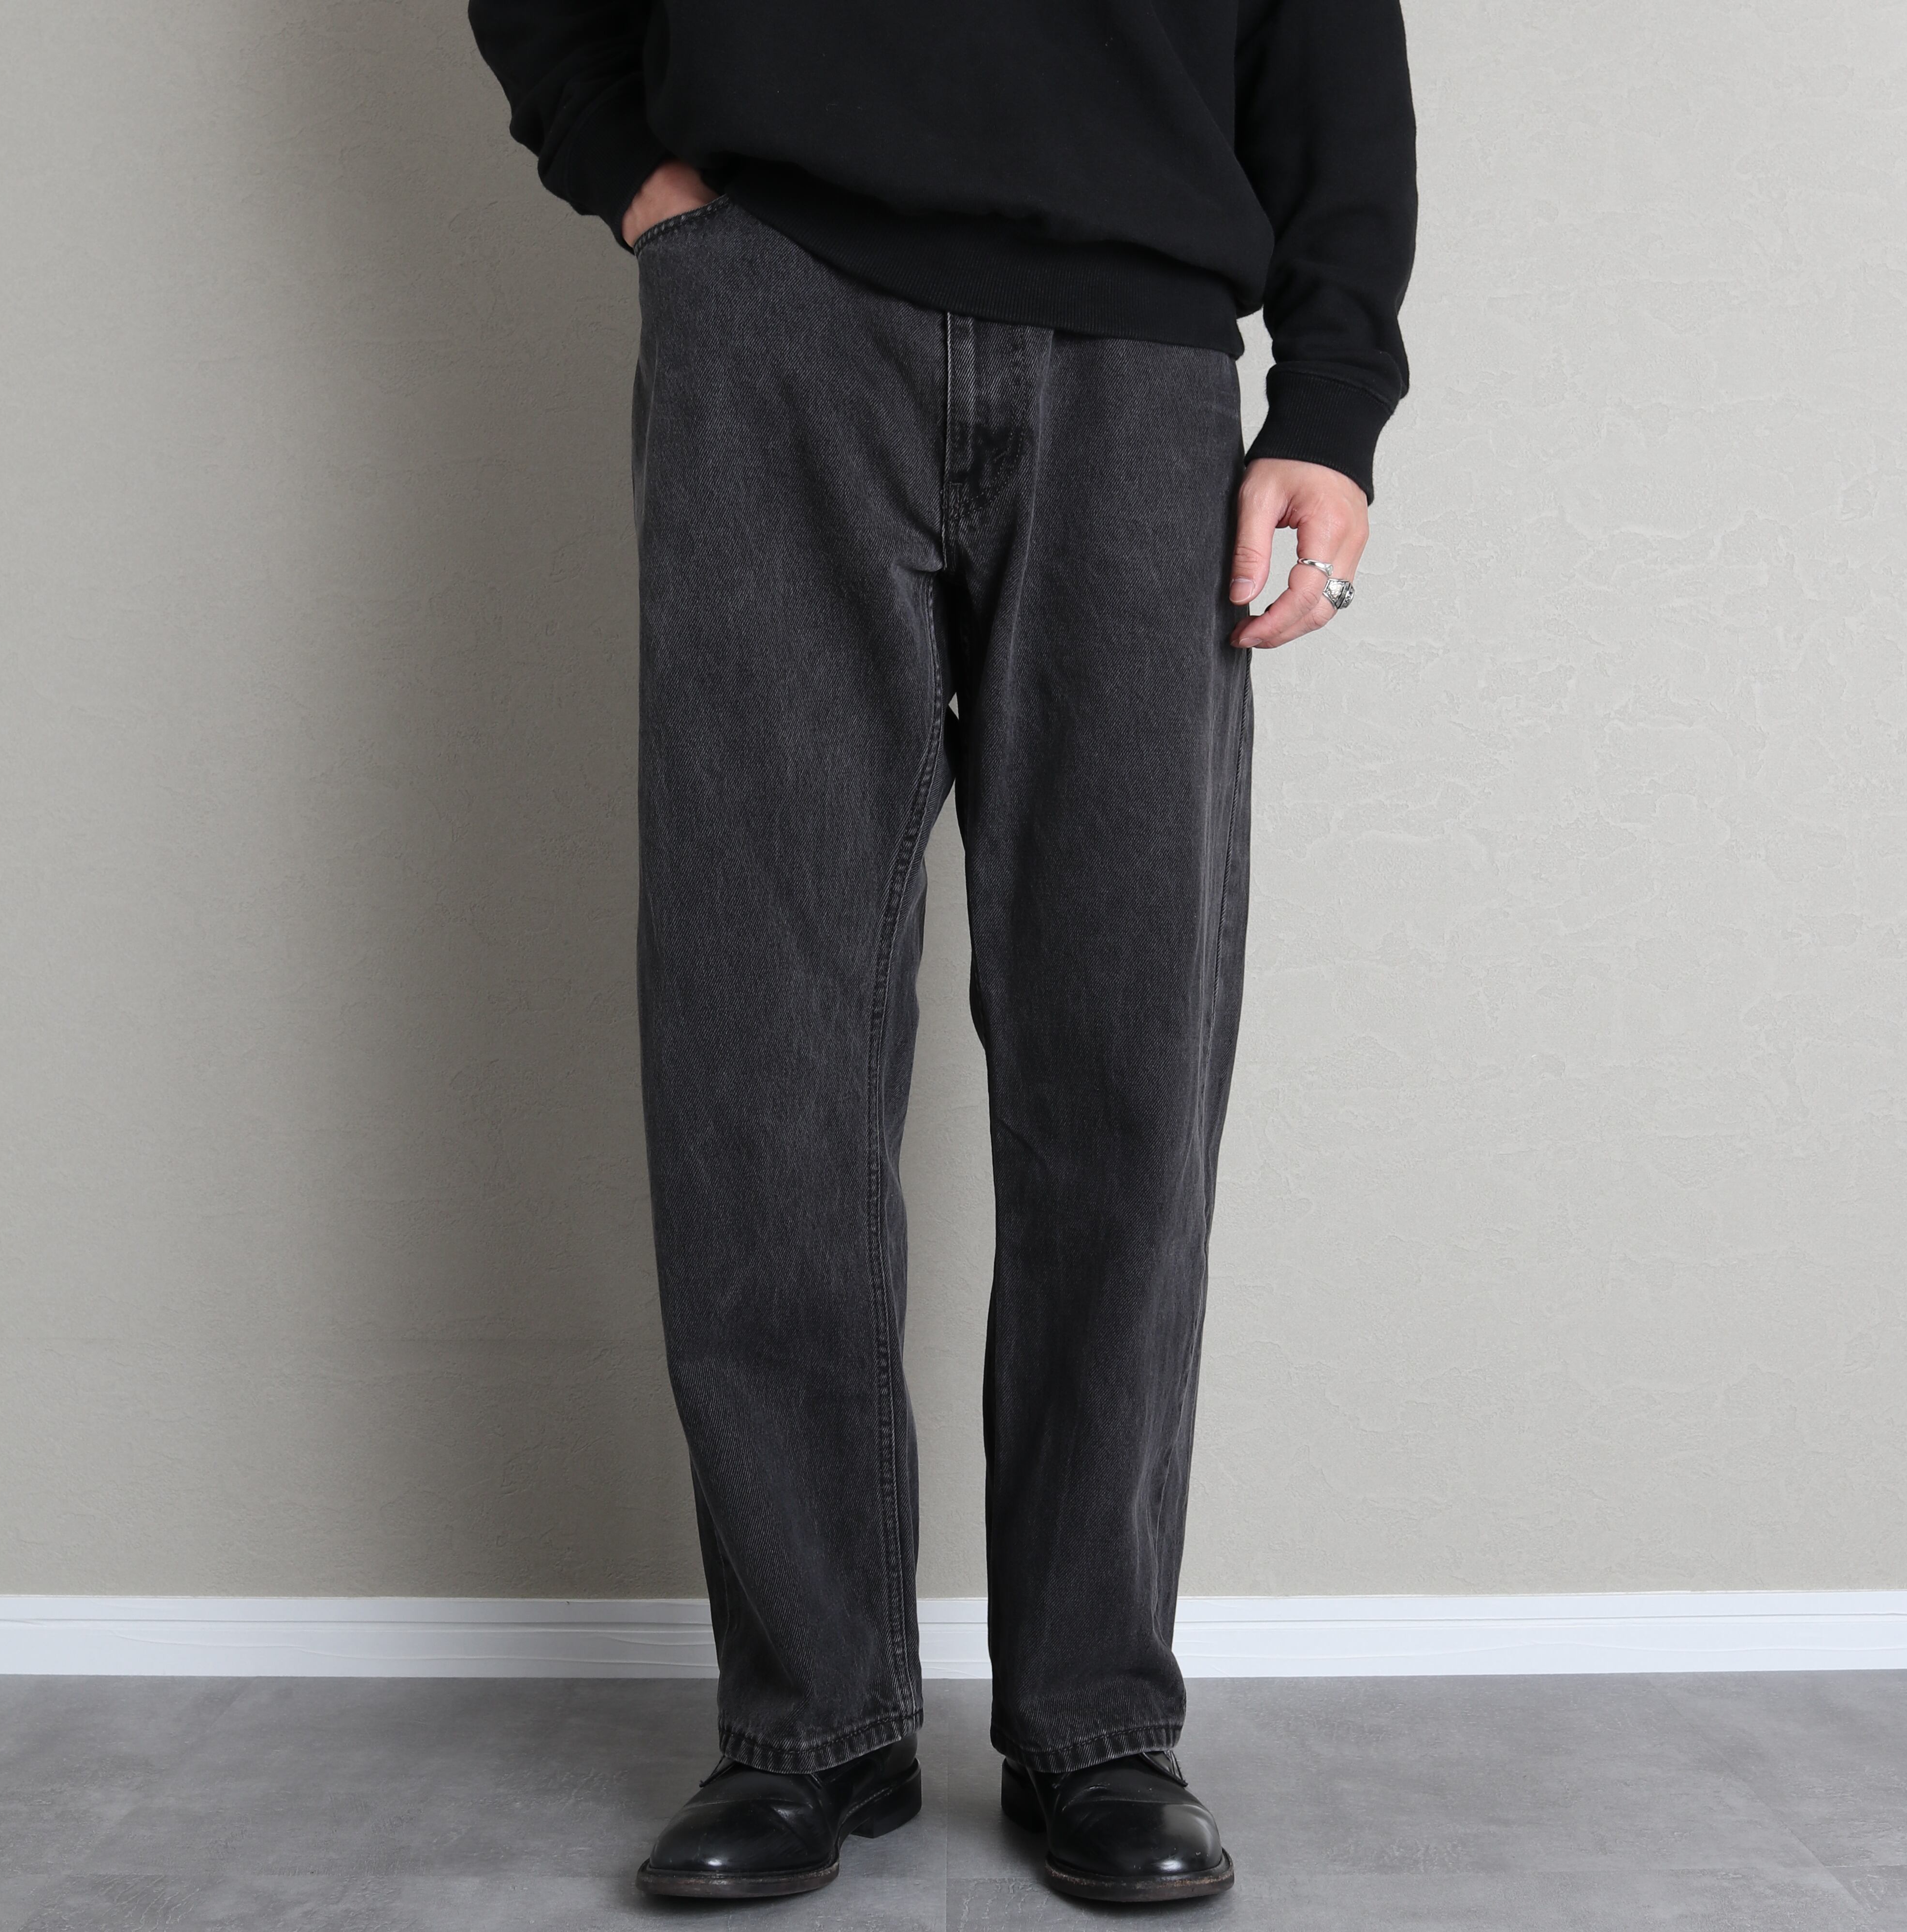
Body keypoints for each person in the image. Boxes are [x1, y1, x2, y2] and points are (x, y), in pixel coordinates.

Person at [469, 0, 1415, 1904]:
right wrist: (622, 162)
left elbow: (1326, 32)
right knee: (758, 1060)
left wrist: (1330, 396)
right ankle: (807, 1725)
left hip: (1141, 354)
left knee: (1123, 1063)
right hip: (776, 313)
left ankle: (1097, 1725)